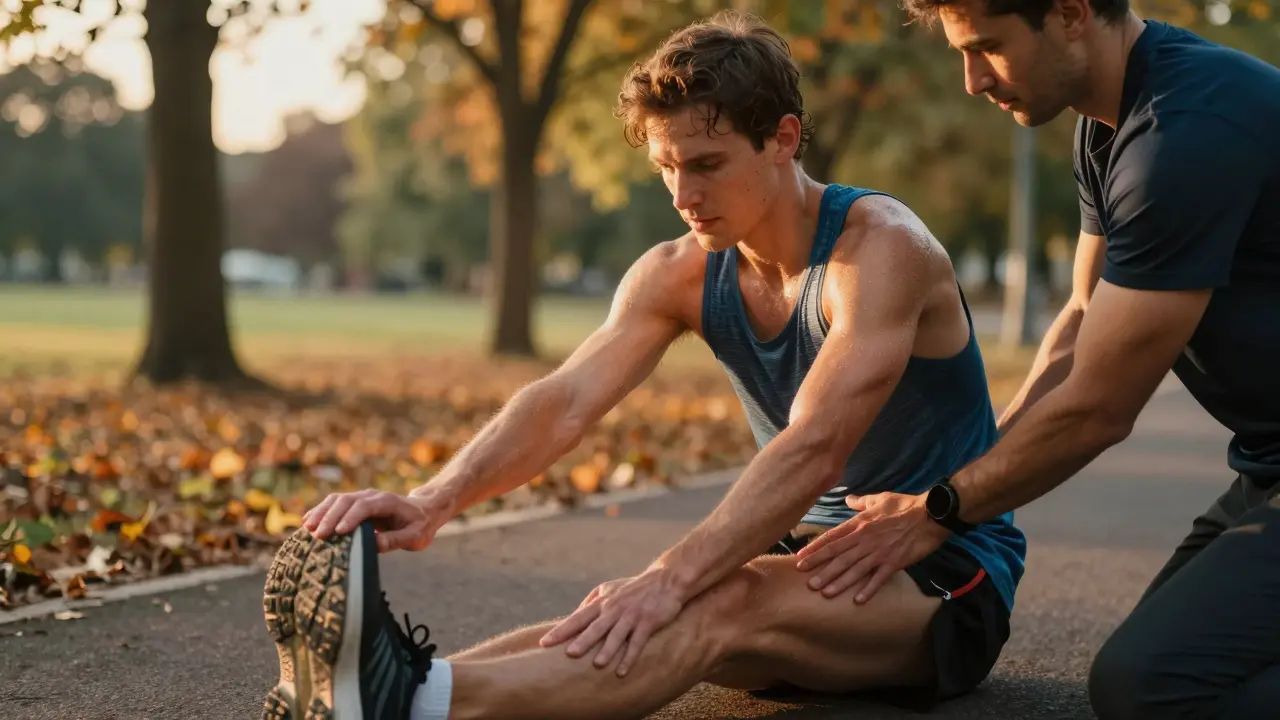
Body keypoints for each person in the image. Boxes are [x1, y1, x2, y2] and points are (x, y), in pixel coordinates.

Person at [258, 11, 1027, 720]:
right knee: (607, 617)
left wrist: (668, 575)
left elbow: (815, 443)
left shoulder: (880, 249)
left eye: (707, 163)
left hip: (943, 571)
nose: (684, 194)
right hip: (802, 557)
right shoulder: (680, 272)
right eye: (666, 167)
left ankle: (409, 702)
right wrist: (433, 500)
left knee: (703, 599)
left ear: (784, 138)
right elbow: (565, 400)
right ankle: (388, 688)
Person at [791, 1, 1280, 718]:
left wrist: (939, 512)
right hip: (1266, 466)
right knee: (1158, 668)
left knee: (1153, 688)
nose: (971, 80)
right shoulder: (1108, 128)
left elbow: (1098, 409)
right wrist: (964, 485)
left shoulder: (1185, 131)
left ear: (1072, 14)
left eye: (988, 47)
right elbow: (1082, 322)